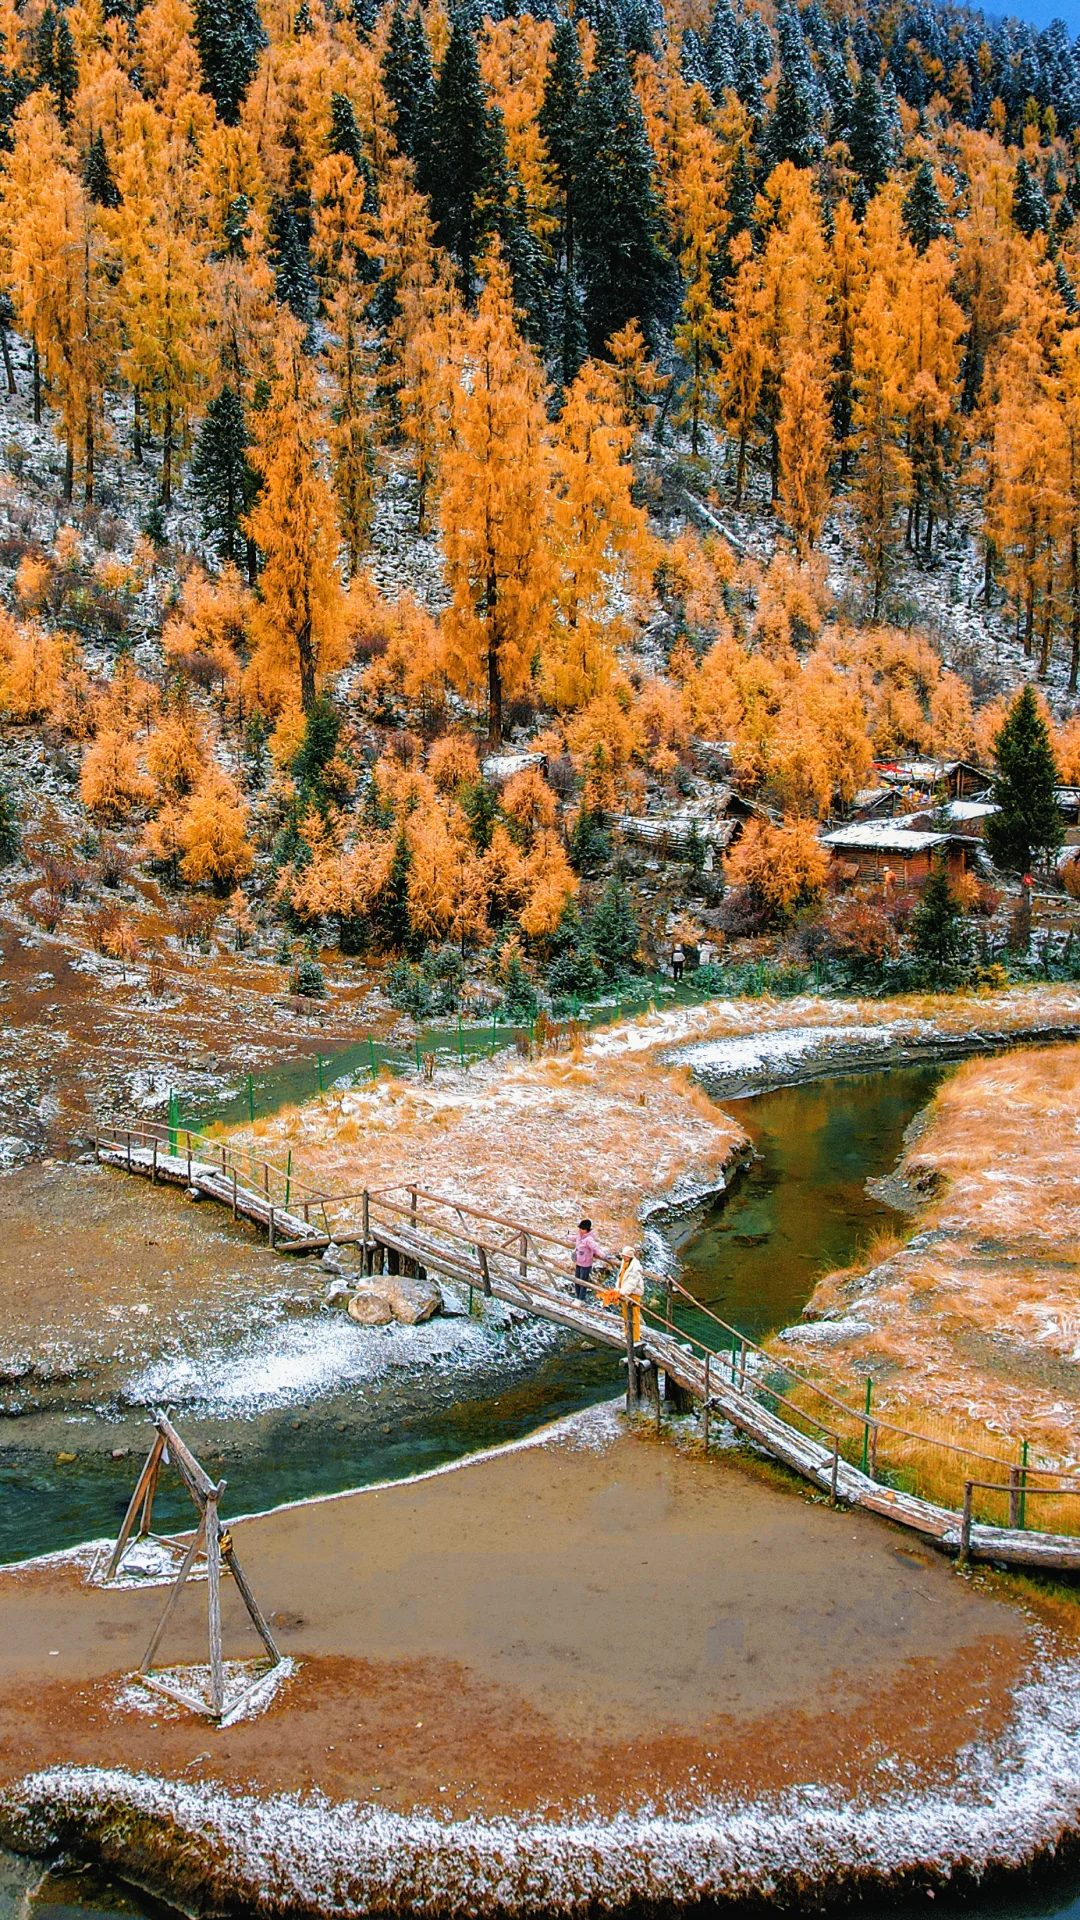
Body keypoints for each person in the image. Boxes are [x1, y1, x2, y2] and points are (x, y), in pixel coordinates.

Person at [615, 1245, 645, 1344]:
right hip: (625, 1293)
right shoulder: (625, 1263)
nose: (623, 1257)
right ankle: (627, 1332)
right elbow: (620, 1277)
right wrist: (618, 1289)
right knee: (625, 1314)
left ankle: (636, 1337)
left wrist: (622, 1292)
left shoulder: (636, 1268)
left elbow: (632, 1282)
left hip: (633, 1294)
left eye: (625, 1256)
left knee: (634, 1316)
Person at [571, 1217, 605, 1302]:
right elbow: (574, 1238)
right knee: (577, 1280)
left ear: (586, 1230)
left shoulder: (589, 1239)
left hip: (586, 1264)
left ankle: (581, 1299)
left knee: (583, 1282)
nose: (580, 1230)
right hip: (579, 1262)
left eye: (582, 1229)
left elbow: (596, 1248)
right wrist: (567, 1236)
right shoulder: (580, 1236)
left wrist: (603, 1256)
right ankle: (577, 1296)